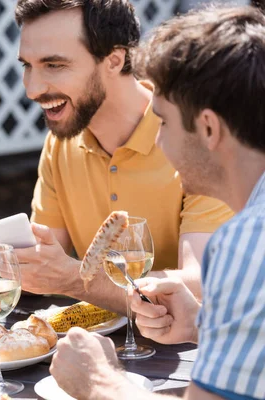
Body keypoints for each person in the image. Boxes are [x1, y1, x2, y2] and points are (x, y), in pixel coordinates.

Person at [50, 5, 265, 399]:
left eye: (163, 121)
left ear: (208, 128)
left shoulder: (247, 243)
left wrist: (99, 381)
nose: (158, 142)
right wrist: (204, 323)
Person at [0, 0, 233, 313]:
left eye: (54, 65)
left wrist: (75, 280)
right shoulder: (59, 145)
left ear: (115, 61)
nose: (32, 89)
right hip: (93, 347)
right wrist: (5, 257)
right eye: (27, 65)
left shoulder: (198, 141)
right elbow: (47, 262)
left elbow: (200, 284)